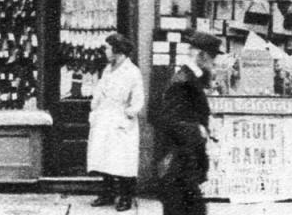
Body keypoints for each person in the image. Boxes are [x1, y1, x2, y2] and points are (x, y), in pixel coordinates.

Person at [153, 30, 223, 215]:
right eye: (213, 57)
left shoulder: (192, 78)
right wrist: (198, 129)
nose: (214, 62)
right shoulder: (183, 82)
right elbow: (169, 120)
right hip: (178, 163)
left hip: (184, 163)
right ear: (202, 55)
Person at [86, 32, 145, 211]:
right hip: (105, 117)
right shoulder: (107, 69)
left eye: (107, 48)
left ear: (117, 50)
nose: (105, 51)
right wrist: (95, 108)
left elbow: (138, 100)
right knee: (105, 157)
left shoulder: (132, 72)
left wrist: (127, 114)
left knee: (122, 160)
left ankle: (126, 197)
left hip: (121, 120)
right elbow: (100, 90)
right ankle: (108, 193)